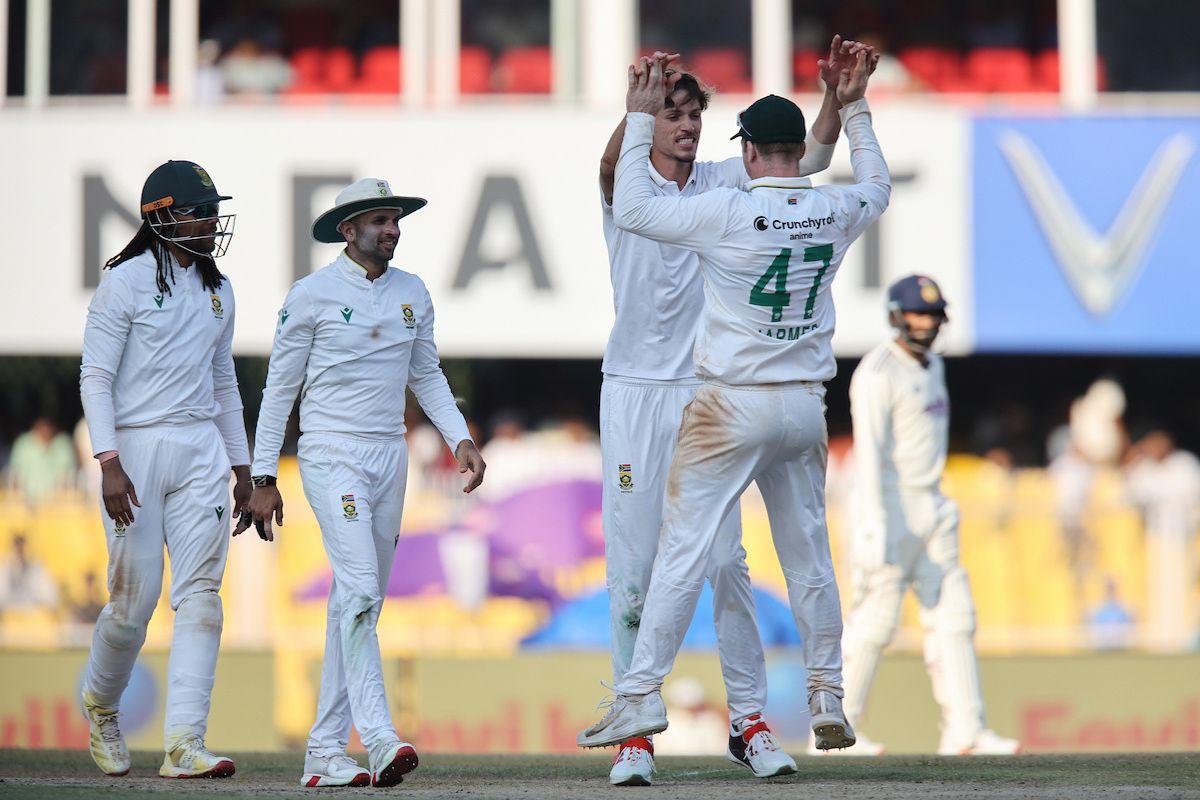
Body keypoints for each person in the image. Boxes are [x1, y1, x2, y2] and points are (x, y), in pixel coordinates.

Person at [577, 40, 887, 755]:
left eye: (693, 115)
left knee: (722, 564)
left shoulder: (722, 187)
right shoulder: (630, 180)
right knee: (632, 571)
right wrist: (636, 115)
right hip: (636, 391)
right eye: (672, 114)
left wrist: (832, 107)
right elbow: (618, 178)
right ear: (646, 126)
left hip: (712, 395)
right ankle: (638, 739)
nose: (684, 124)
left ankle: (746, 722)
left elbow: (800, 159)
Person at [245, 178, 486, 789]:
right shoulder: (311, 295)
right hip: (330, 455)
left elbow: (426, 373)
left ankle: (324, 753)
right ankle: (379, 738)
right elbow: (279, 391)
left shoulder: (412, 293)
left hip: (390, 456)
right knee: (357, 591)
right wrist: (265, 475)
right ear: (348, 231)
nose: (392, 229)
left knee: (356, 603)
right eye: (379, 220)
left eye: (395, 219)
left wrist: (459, 438)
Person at [78, 159, 250, 778]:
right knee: (133, 604)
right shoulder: (123, 283)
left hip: (200, 446)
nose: (209, 223)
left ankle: (184, 743)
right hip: (135, 448)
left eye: (211, 212)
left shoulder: (218, 289)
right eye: (198, 211)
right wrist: (109, 461)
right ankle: (101, 704)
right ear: (161, 216)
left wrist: (245, 471)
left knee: (202, 597)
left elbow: (224, 380)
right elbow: (95, 375)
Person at [836, 275, 1019, 756]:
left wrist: (936, 505)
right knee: (874, 623)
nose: (926, 322)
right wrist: (874, 525)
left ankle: (966, 730)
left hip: (931, 504)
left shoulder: (933, 364)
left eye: (933, 315)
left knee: (955, 617)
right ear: (897, 315)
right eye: (917, 313)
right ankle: (836, 732)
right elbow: (870, 455)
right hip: (889, 506)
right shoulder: (877, 373)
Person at [6, 417, 78, 505]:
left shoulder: (63, 444)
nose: (45, 430)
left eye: (48, 426)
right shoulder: (23, 444)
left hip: (57, 504)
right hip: (27, 503)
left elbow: (70, 478)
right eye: (42, 426)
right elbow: (13, 476)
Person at [0, 534, 59, 613]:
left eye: (22, 547)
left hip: (32, 608)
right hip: (10, 607)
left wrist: (48, 603)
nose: (20, 550)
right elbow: (3, 588)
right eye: (17, 547)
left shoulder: (36, 565)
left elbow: (46, 589)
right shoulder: (5, 565)